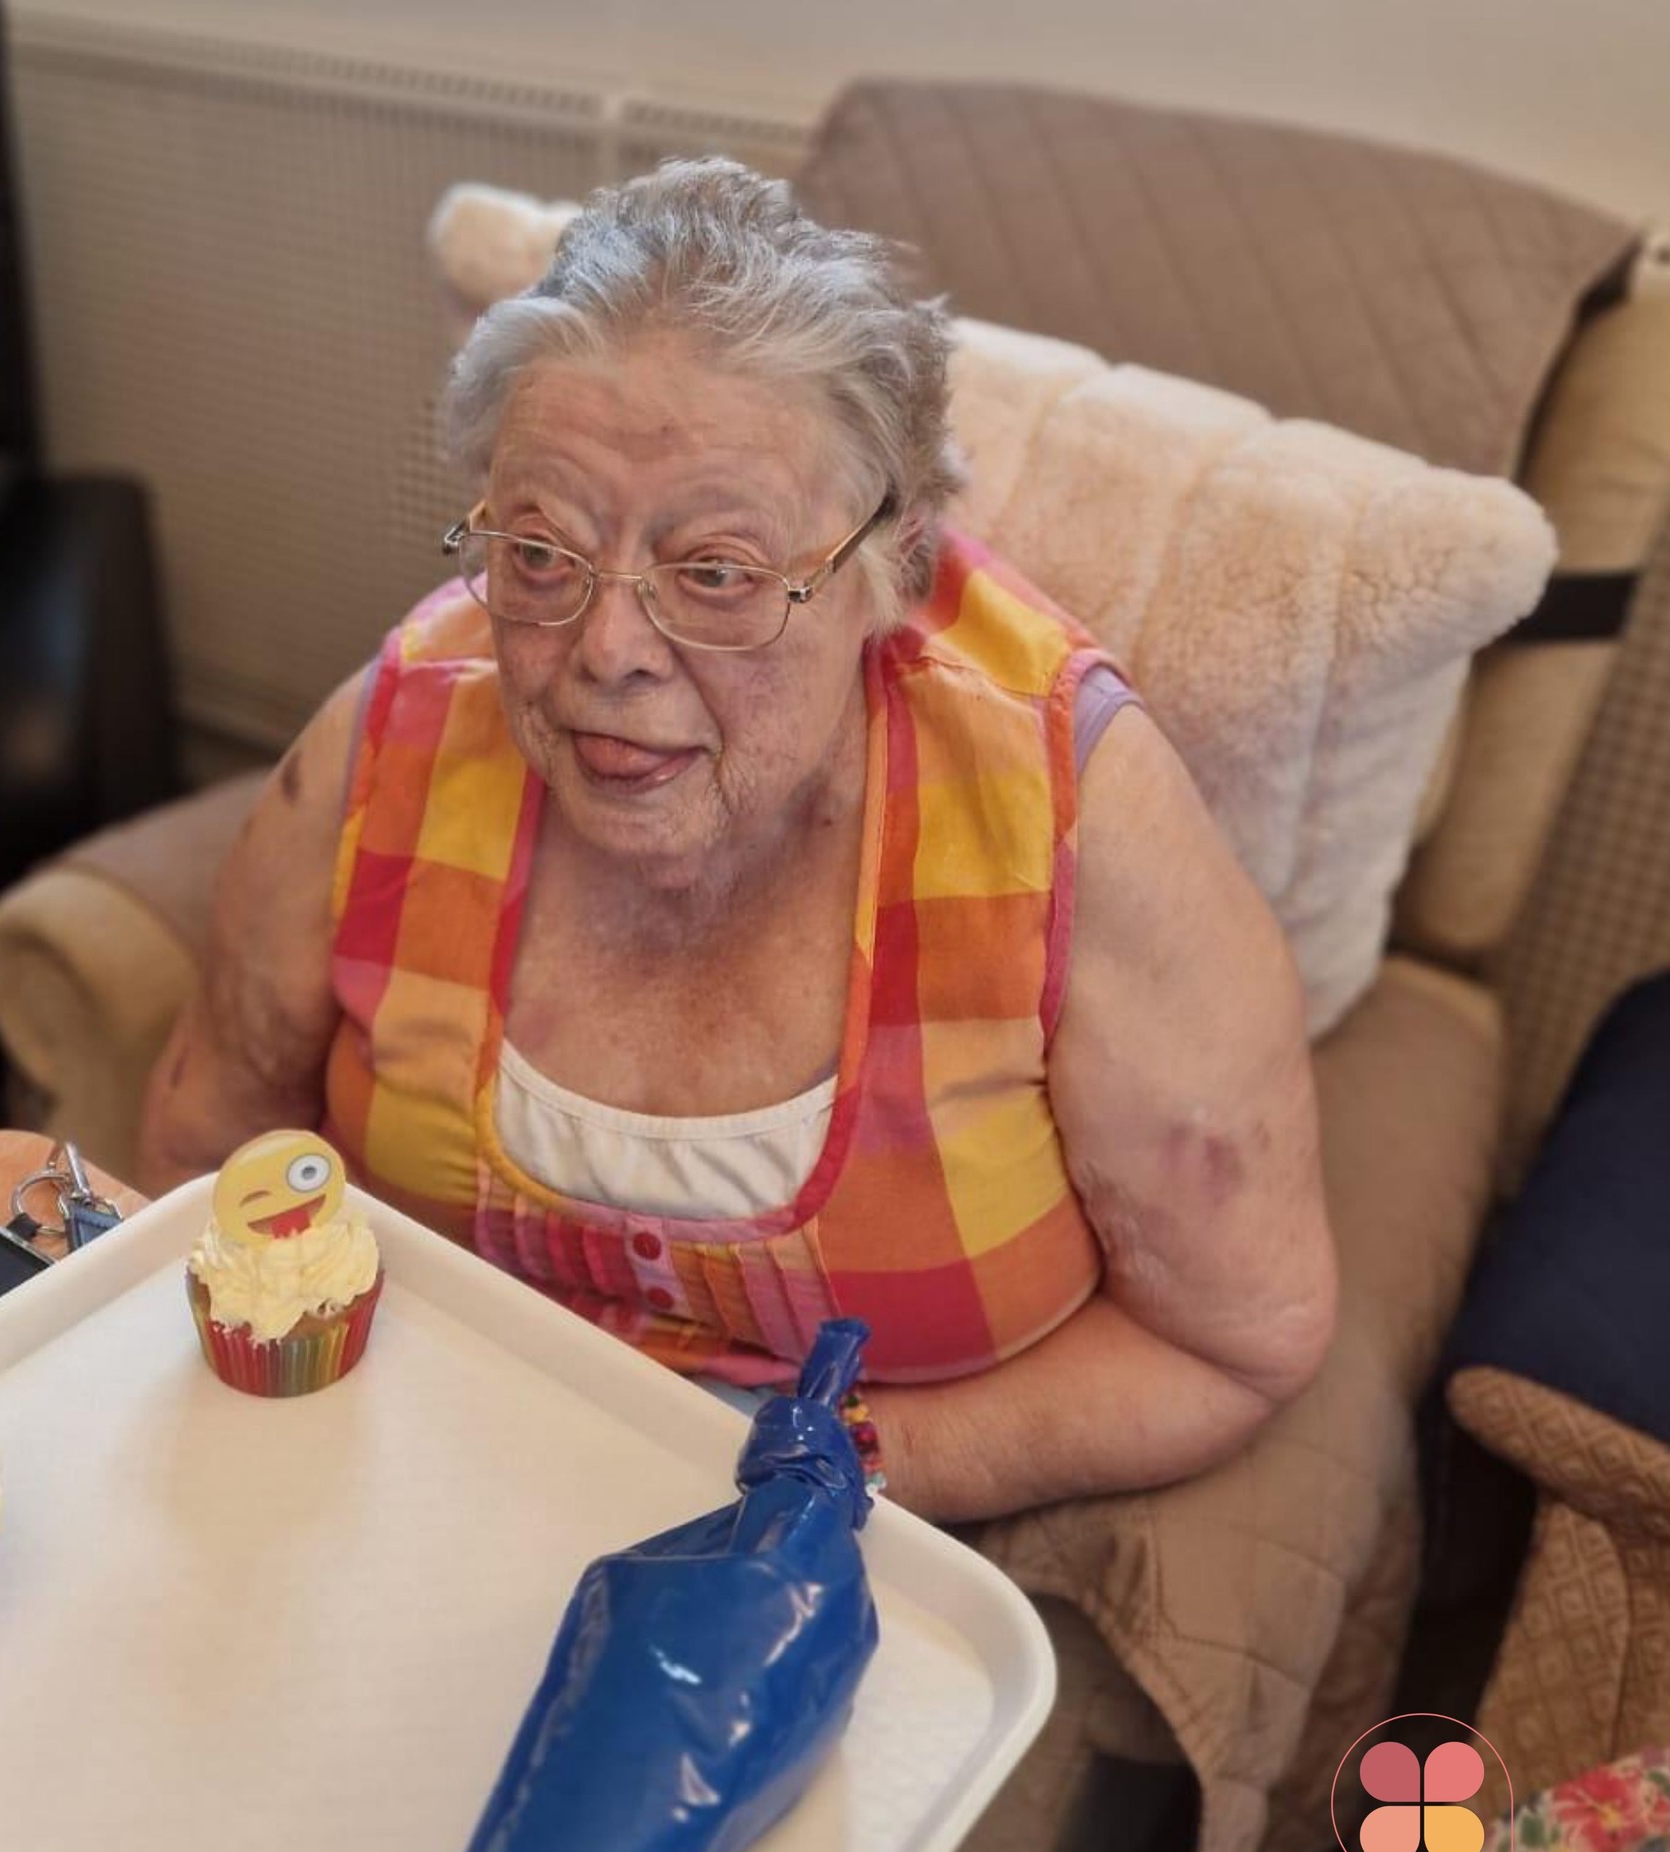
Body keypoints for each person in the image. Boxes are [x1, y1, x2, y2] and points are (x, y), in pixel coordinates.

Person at [138, 158, 1336, 1524]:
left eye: (715, 572)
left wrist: (795, 1480)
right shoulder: (394, 740)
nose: (607, 651)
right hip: (408, 1480)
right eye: (541, 554)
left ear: (890, 567)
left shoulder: (1066, 814)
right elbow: (200, 1159)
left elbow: (1235, 1341)